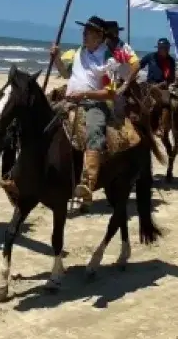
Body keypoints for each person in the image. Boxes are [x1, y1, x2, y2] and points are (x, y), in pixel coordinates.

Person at [42, 15, 135, 203]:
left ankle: (88, 182)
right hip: (69, 100)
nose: (84, 35)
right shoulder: (79, 51)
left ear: (99, 36)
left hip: (94, 104)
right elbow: (65, 73)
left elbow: (110, 92)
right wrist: (57, 58)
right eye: (84, 32)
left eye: (88, 33)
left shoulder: (109, 59)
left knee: (95, 132)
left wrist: (85, 95)